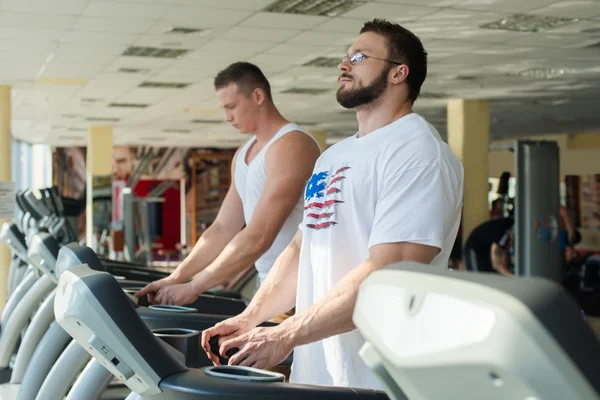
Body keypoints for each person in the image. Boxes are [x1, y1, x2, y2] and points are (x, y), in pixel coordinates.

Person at [200, 19, 464, 390]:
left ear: (398, 73)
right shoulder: (333, 157)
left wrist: (287, 333)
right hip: (320, 373)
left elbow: (386, 273)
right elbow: (302, 247)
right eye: (346, 56)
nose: (344, 65)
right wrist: (252, 317)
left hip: (382, 381)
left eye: (359, 57)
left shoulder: (419, 153)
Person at [136, 62, 321, 305]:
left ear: (257, 96)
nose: (227, 117)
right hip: (270, 284)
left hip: (304, 287)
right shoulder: (242, 155)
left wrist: (195, 286)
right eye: (223, 109)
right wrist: (175, 278)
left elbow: (259, 236)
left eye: (232, 107)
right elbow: (223, 227)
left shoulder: (291, 145)